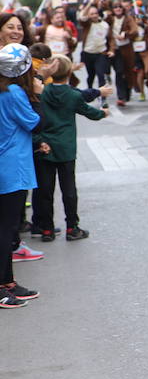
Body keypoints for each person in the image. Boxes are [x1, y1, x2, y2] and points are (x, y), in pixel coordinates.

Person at [32, 54, 109, 242]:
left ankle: (47, 229)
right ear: (69, 73)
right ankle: (72, 227)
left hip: (45, 146)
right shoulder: (73, 95)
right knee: (69, 190)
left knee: (45, 190)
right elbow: (90, 112)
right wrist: (103, 113)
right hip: (66, 148)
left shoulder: (43, 92)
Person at [0, 43, 44, 307]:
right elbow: (36, 122)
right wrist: (37, 95)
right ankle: (3, 286)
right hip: (11, 167)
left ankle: (8, 281)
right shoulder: (14, 92)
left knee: (6, 227)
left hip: (8, 164)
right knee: (6, 229)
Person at [78, 2, 112, 105]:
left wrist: (112, 50)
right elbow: (82, 17)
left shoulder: (105, 25)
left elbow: (110, 39)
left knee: (101, 75)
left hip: (101, 53)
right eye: (91, 14)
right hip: (88, 53)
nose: (94, 15)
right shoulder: (87, 24)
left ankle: (103, 98)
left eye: (95, 13)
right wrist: (88, 5)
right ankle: (89, 91)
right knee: (91, 75)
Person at [107, 1, 138, 107]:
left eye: (120, 7)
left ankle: (128, 91)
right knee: (119, 72)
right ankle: (121, 96)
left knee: (128, 71)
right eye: (115, 7)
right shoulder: (110, 19)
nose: (118, 9)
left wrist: (126, 34)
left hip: (126, 49)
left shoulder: (128, 18)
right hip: (115, 49)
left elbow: (135, 31)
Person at [132, 14, 148, 102]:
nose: (137, 20)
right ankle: (142, 93)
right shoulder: (130, 27)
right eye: (135, 18)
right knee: (140, 74)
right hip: (135, 53)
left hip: (146, 51)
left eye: (139, 18)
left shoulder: (147, 27)